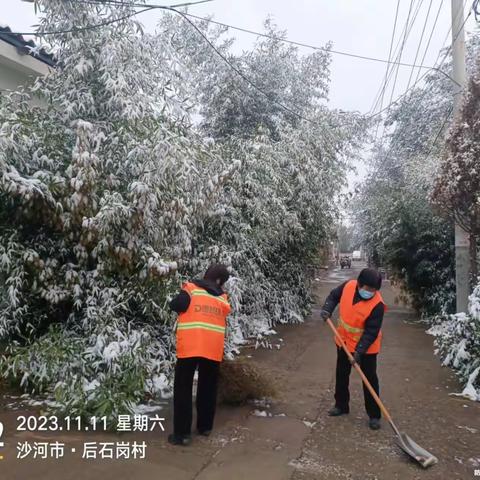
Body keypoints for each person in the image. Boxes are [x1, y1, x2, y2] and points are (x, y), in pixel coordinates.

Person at [167, 264, 231, 446]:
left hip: (191, 347)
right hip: (212, 348)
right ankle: (205, 427)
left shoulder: (191, 290)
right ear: (220, 281)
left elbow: (175, 305)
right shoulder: (223, 298)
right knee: (208, 387)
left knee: (183, 388)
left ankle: (182, 434)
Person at [320, 268, 386, 430]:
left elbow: (371, 332)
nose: (370, 292)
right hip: (343, 341)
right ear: (359, 284)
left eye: (373, 290)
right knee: (341, 373)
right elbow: (333, 296)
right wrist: (327, 308)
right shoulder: (348, 286)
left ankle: (374, 415)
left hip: (367, 348)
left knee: (369, 378)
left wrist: (358, 352)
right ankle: (341, 405)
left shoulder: (377, 305)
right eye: (368, 288)